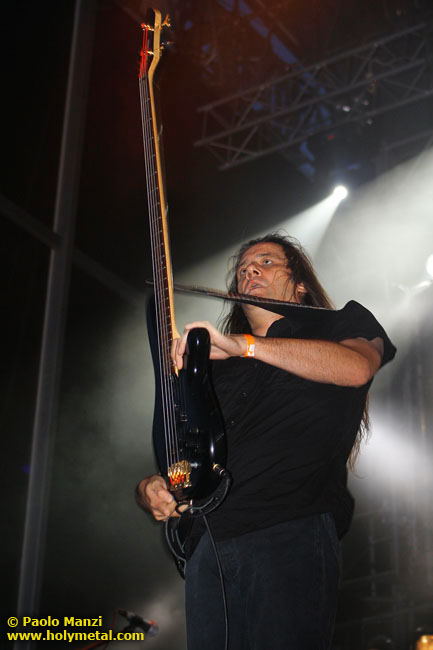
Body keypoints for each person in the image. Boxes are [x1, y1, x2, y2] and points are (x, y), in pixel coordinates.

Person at [135, 234, 396, 650]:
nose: (250, 270)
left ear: (300, 285)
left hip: (289, 529)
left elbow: (357, 368)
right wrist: (155, 486)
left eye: (267, 262)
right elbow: (188, 460)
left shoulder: (338, 324)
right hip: (210, 544)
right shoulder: (214, 367)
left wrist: (246, 346)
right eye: (242, 269)